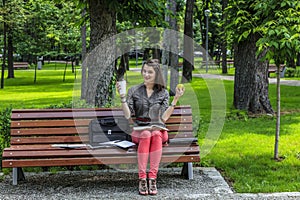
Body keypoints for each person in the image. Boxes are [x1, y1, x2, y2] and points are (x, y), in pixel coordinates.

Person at [116, 59, 185, 195]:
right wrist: (123, 98)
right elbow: (127, 115)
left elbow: (164, 118)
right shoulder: (134, 90)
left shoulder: (163, 93)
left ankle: (152, 178)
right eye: (144, 71)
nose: (146, 75)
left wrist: (175, 99)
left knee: (154, 134)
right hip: (139, 131)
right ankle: (143, 179)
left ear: (156, 74)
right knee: (147, 134)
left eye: (150, 72)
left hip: (158, 129)